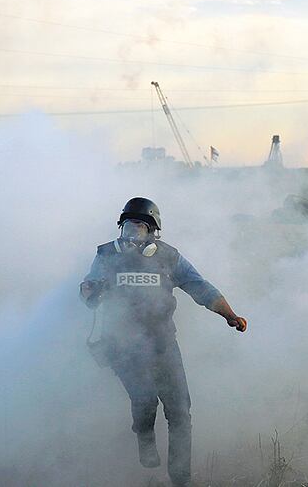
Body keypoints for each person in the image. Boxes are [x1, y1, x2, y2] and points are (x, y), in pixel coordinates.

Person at [79, 197, 246, 487]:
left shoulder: (169, 258)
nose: (132, 236)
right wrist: (90, 291)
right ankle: (145, 438)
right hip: (122, 346)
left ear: (153, 232)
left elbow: (200, 286)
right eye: (127, 228)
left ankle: (181, 479)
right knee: (144, 399)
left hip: (162, 344)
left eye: (139, 229)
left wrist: (229, 315)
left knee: (180, 410)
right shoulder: (106, 256)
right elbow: (88, 291)